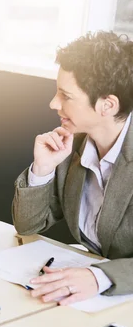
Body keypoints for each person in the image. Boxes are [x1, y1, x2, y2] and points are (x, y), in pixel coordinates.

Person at [12, 31, 133, 305]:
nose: (54, 104)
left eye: (66, 95)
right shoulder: (73, 146)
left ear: (107, 105)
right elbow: (28, 226)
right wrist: (42, 170)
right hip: (91, 303)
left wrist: (99, 277)